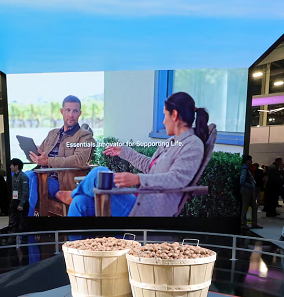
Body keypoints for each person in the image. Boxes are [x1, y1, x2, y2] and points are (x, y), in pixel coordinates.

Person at [55, 92, 208, 218]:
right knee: (80, 203)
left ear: (174, 115)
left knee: (98, 173)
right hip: (139, 200)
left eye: (165, 115)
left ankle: (73, 194)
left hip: (147, 212)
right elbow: (150, 166)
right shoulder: (171, 142)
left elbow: (176, 179)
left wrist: (137, 179)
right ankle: (74, 245)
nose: (163, 122)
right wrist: (124, 151)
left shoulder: (192, 145)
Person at [27, 95, 96, 206]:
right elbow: (41, 154)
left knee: (30, 177)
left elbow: (79, 160)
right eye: (68, 110)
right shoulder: (52, 133)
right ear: (62, 111)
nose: (71, 115)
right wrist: (33, 155)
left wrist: (48, 161)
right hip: (41, 176)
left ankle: (25, 216)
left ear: (79, 113)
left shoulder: (85, 136)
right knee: (21, 177)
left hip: (61, 184)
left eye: (75, 111)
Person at [8, 158, 30, 238]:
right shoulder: (14, 176)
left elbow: (25, 191)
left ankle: (24, 240)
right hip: (14, 201)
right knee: (12, 221)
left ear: (16, 166)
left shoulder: (23, 176)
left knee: (22, 223)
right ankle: (12, 239)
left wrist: (21, 204)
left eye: (11, 165)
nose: (10, 167)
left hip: (22, 202)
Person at [240, 155, 262, 229]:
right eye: (250, 160)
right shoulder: (244, 170)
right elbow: (242, 181)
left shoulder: (247, 169)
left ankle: (254, 223)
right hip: (246, 190)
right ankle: (243, 223)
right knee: (245, 206)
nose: (251, 162)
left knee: (254, 207)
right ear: (247, 161)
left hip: (250, 190)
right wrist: (250, 186)